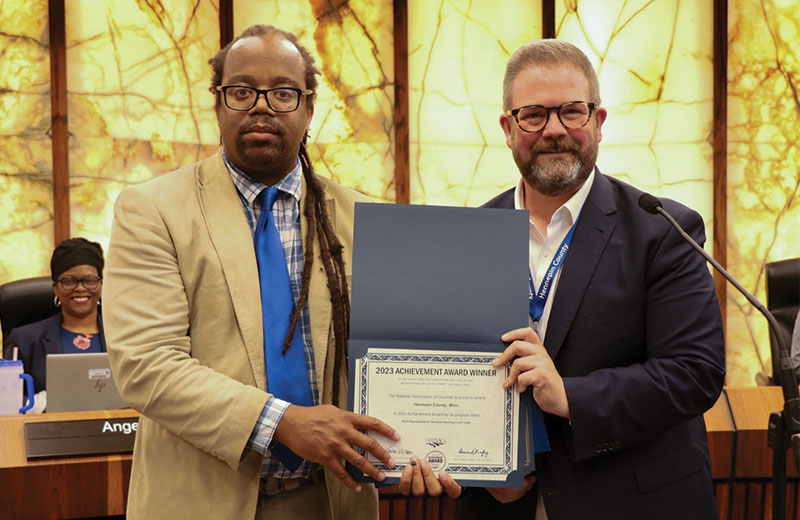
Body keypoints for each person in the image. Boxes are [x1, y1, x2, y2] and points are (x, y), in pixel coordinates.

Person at [102, 25, 411, 520]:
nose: (261, 105)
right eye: (242, 91)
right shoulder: (153, 210)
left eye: (283, 93)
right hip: (201, 501)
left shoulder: (364, 219)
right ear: (218, 104)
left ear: (309, 109)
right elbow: (146, 364)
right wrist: (283, 423)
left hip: (331, 501)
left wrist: (433, 443)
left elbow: (400, 357)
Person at [456, 39, 725, 519]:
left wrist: (569, 396)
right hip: (502, 507)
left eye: (572, 112)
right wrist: (474, 472)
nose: (554, 130)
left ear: (598, 121)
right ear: (508, 127)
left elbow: (694, 373)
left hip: (632, 503)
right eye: (534, 114)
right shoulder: (467, 235)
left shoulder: (663, 228)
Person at [8, 237, 106, 396]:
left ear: (100, 284)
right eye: (69, 281)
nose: (80, 288)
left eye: (89, 280)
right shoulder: (26, 340)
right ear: (55, 288)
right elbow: (9, 399)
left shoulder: (123, 338)